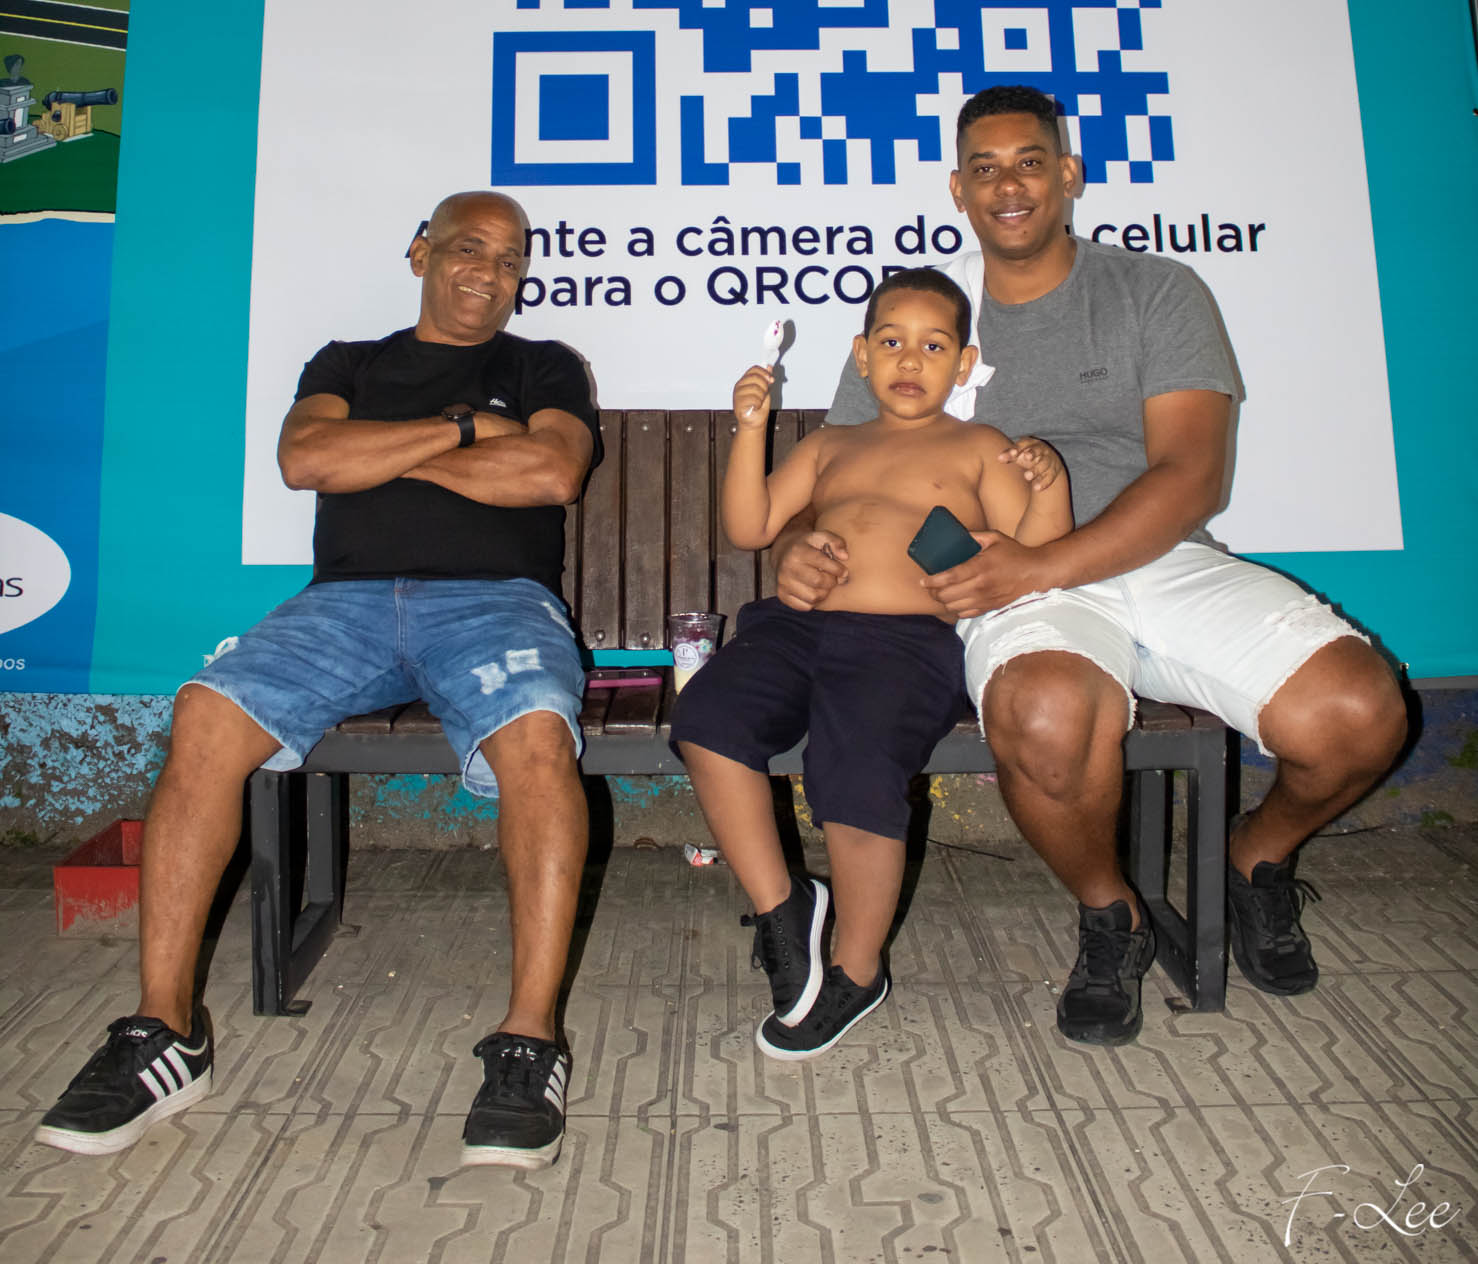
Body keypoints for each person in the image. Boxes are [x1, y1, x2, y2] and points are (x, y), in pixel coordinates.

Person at [779, 85, 1408, 1047]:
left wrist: (1048, 564)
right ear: (957, 189)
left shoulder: (1156, 290)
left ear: (1068, 174)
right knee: (1046, 716)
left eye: (1030, 161)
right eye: (984, 168)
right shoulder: (927, 314)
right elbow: (840, 478)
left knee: (1361, 714)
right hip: (1001, 578)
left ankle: (1254, 858)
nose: (1009, 185)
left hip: (1155, 558)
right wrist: (803, 544)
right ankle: (1112, 914)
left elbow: (1192, 476)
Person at [37, 191, 599, 1169]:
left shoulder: (543, 365)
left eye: (511, 258)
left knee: (538, 738)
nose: (490, 271)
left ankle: (528, 1041)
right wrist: (466, 431)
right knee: (205, 713)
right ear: (421, 251)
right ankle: (166, 1030)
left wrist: (382, 456)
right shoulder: (347, 362)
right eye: (470, 247)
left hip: (494, 603)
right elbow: (306, 459)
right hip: (342, 606)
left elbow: (550, 475)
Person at [669, 268, 1071, 1059]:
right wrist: (751, 427)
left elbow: (1038, 552)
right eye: (891, 342)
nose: (910, 360)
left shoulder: (979, 446)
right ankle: (782, 906)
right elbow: (751, 526)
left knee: (855, 771)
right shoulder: (831, 444)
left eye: (934, 346)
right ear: (861, 355)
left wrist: (1047, 483)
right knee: (706, 719)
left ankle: (857, 969)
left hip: (906, 645)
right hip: (796, 626)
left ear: (965, 363)